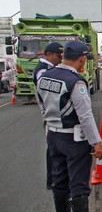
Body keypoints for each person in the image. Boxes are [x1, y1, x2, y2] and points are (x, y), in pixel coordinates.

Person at [36, 40, 102, 212]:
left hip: (53, 136)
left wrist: (50, 129)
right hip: (73, 138)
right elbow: (85, 115)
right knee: (78, 183)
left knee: (59, 180)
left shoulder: (44, 77)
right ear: (81, 59)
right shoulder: (75, 81)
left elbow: (41, 105)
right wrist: (97, 143)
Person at [34, 42, 64, 190]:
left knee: (55, 147)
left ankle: (55, 178)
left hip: (53, 113)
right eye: (58, 56)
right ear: (49, 54)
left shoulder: (50, 68)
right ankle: (52, 180)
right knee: (53, 149)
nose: (60, 59)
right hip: (50, 114)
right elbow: (47, 93)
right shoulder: (42, 71)